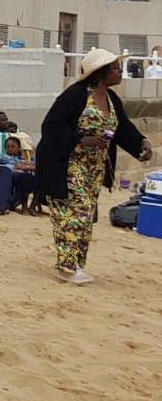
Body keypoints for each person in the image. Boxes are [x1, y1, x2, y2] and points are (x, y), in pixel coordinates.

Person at [36, 48, 152, 284]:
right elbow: (52, 127)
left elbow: (122, 128)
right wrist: (81, 139)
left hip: (94, 167)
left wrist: (141, 143)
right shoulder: (75, 95)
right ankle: (66, 267)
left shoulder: (111, 99)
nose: (121, 72)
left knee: (87, 214)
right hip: (67, 164)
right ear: (100, 72)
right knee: (74, 211)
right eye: (116, 68)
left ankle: (77, 263)